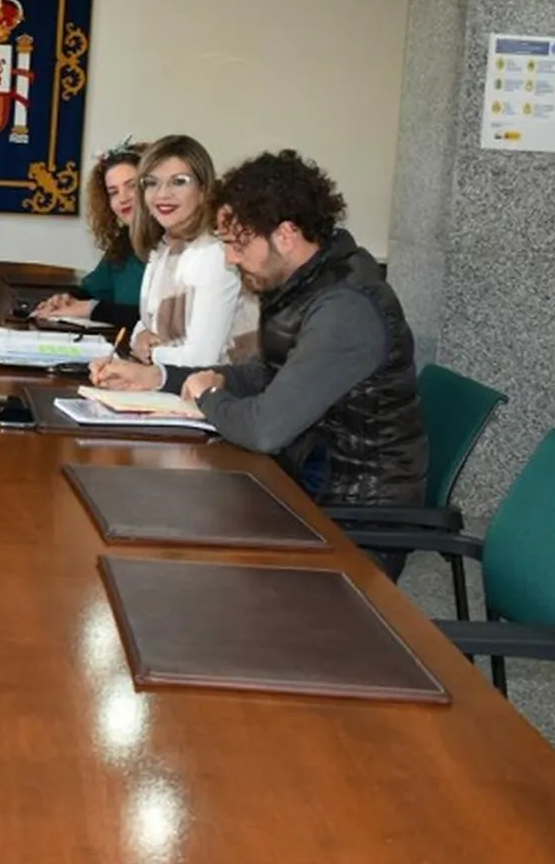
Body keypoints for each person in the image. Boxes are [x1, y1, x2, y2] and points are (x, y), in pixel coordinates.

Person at [90, 150, 428, 577]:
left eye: (238, 243)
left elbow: (265, 429)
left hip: (352, 516)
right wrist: (161, 377)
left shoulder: (344, 309)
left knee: (172, 557)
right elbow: (264, 373)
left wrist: (208, 396)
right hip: (305, 481)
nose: (231, 258)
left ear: (285, 235)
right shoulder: (301, 284)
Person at [126, 134, 256, 366]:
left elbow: (200, 359)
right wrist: (139, 338)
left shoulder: (216, 253)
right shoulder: (165, 247)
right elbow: (148, 321)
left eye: (179, 181)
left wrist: (151, 352)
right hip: (168, 379)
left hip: (220, 384)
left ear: (203, 190)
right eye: (152, 183)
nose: (163, 194)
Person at [30, 137, 146, 331]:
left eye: (131, 186)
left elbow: (162, 320)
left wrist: (90, 309)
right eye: (113, 192)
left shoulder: (174, 243)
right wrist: (66, 299)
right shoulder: (125, 240)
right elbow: (92, 289)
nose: (123, 198)